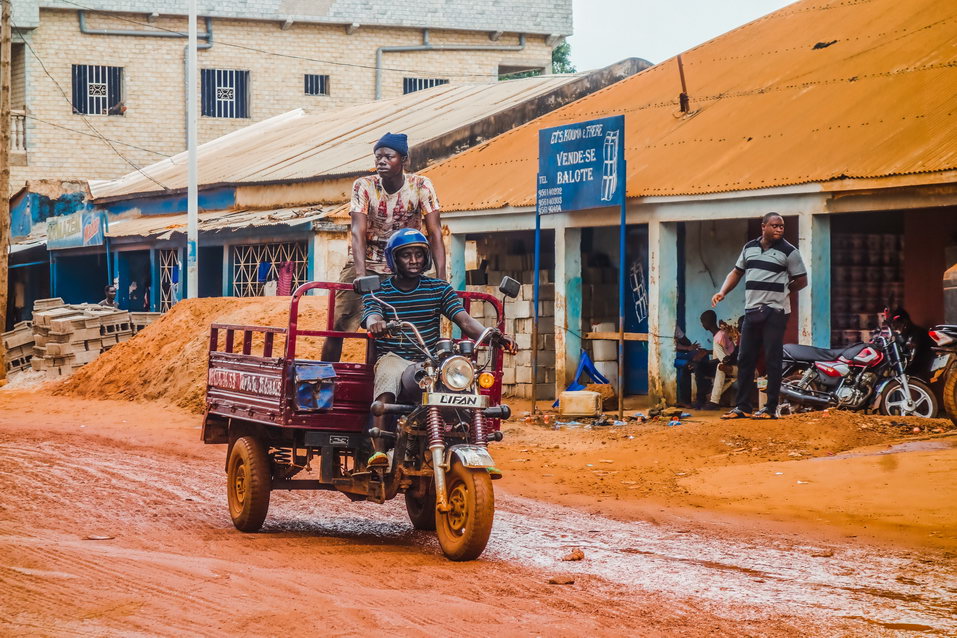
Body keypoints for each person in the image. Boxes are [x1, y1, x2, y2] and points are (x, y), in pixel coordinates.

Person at [361, 229, 514, 466]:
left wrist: (493, 335)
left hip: (429, 358)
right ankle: (378, 450)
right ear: (394, 259)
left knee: (461, 378)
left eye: (419, 255)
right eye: (406, 255)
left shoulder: (438, 289)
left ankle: (470, 439)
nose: (414, 260)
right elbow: (371, 315)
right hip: (394, 356)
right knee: (388, 374)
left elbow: (464, 320)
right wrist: (377, 324)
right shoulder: (380, 291)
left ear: (427, 257)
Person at [321, 132, 447, 363]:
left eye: (389, 157)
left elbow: (435, 232)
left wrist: (441, 277)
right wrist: (360, 276)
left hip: (404, 266)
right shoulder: (364, 186)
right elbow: (357, 231)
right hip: (367, 261)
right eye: (378, 157)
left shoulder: (421, 186)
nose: (381, 161)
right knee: (339, 321)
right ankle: (322, 378)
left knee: (392, 327)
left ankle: (381, 379)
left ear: (404, 160)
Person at [712, 212, 807, 419]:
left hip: (776, 312)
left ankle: (770, 408)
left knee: (772, 359)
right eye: (775, 225)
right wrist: (722, 292)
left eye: (782, 226)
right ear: (763, 227)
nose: (779, 229)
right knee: (745, 358)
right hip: (752, 311)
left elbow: (801, 280)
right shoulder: (749, 248)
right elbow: (736, 272)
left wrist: (783, 290)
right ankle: (742, 407)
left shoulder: (789, 252)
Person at [695, 310, 738, 410]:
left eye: (703, 322)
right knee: (699, 367)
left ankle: (706, 401)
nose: (702, 325)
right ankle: (702, 400)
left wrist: (708, 362)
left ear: (708, 322)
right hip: (722, 363)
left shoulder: (720, 335)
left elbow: (725, 357)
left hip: (728, 364)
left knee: (703, 366)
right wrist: (707, 352)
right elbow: (723, 351)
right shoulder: (719, 334)